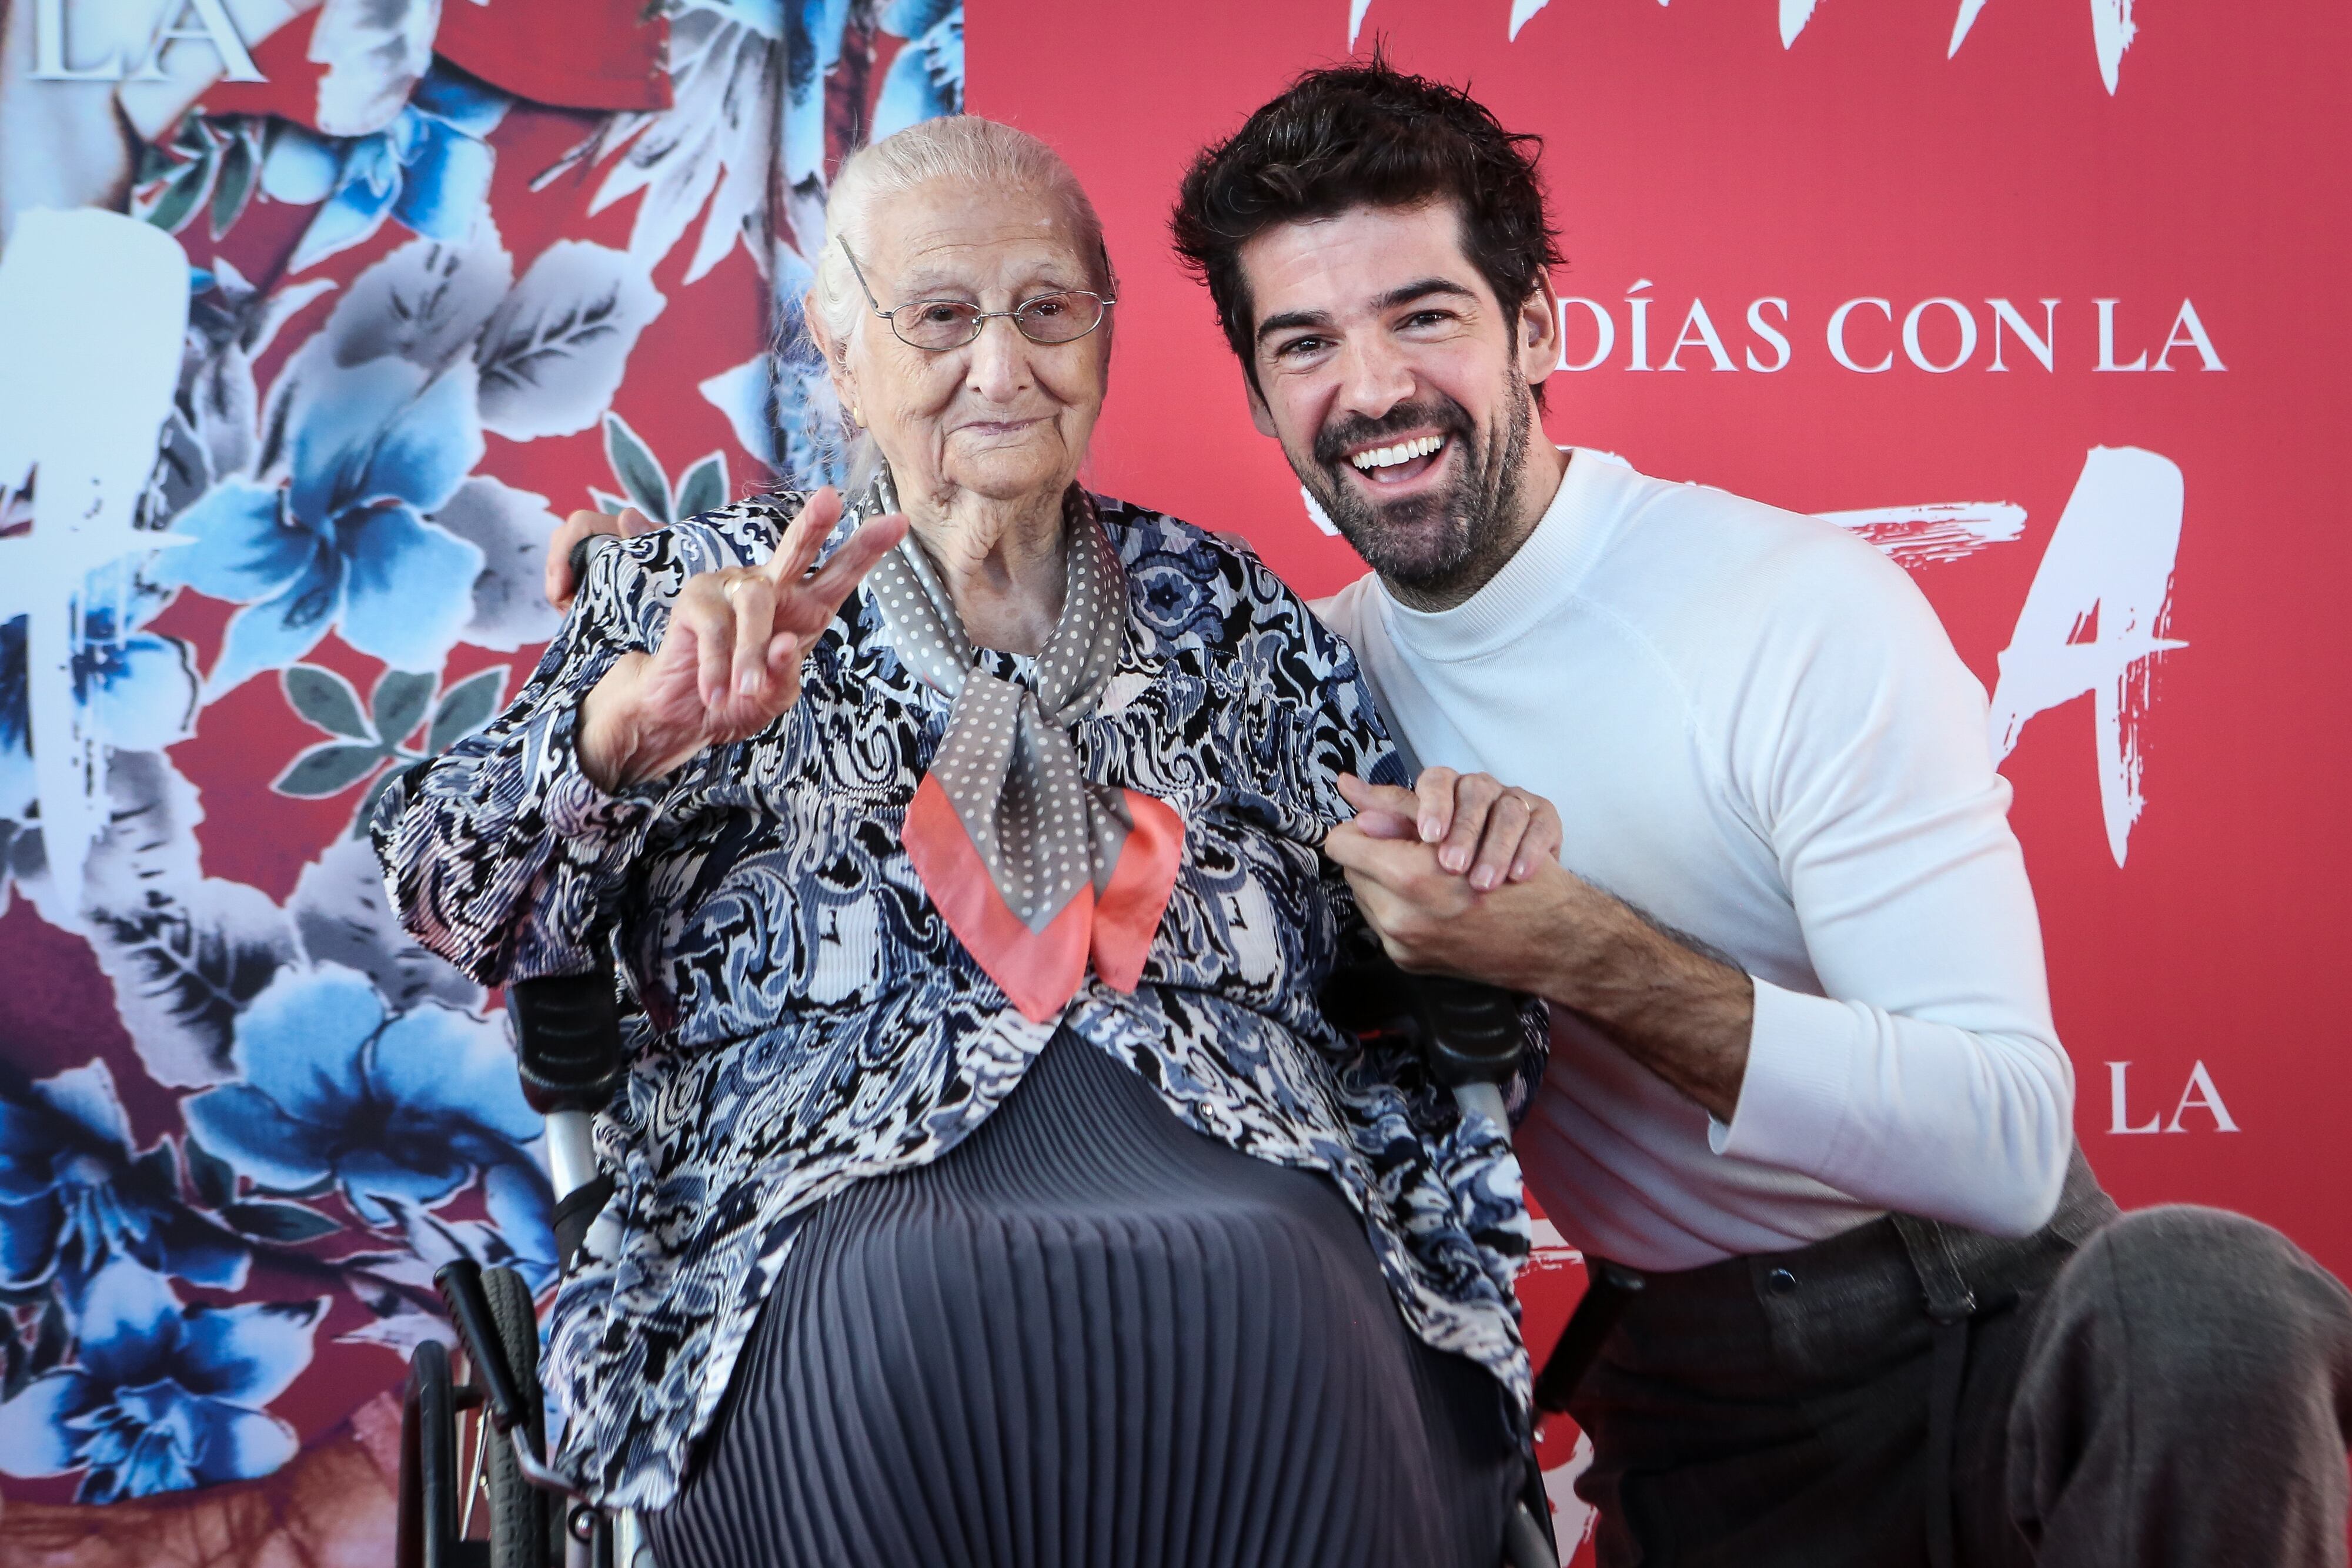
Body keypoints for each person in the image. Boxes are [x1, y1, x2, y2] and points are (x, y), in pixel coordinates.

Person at [1158, 59, 2352, 1568]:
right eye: (1306, 341)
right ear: (1262, 399)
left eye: (1423, 314)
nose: (1373, 387)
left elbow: (2000, 1138)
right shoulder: (1297, 690)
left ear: (1533, 329)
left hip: (2003, 1326)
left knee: (2206, 1290)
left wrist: (1582, 949)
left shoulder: (1789, 609)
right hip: (1703, 1412)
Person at [379, 115, 1556, 1568]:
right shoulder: (688, 592)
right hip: (820, 1190)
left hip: (1241, 1164)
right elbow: (442, 892)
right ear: (837, 338)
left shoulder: (1231, 613)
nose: (1000, 367)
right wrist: (620, 738)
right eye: (939, 313)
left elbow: (1452, 977)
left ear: (1107, 338)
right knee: (898, 1294)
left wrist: (1471, 872)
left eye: (1048, 309)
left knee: (1275, 1277)